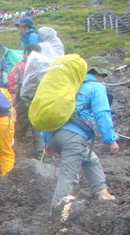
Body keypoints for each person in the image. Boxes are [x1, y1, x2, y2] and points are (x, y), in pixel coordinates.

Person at [44, 57, 119, 211]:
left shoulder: (71, 85)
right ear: (101, 75)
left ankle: (100, 191)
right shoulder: (96, 87)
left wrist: (47, 140)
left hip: (53, 135)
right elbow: (102, 114)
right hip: (73, 136)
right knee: (68, 175)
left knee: (89, 157)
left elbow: (51, 110)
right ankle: (56, 214)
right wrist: (110, 140)